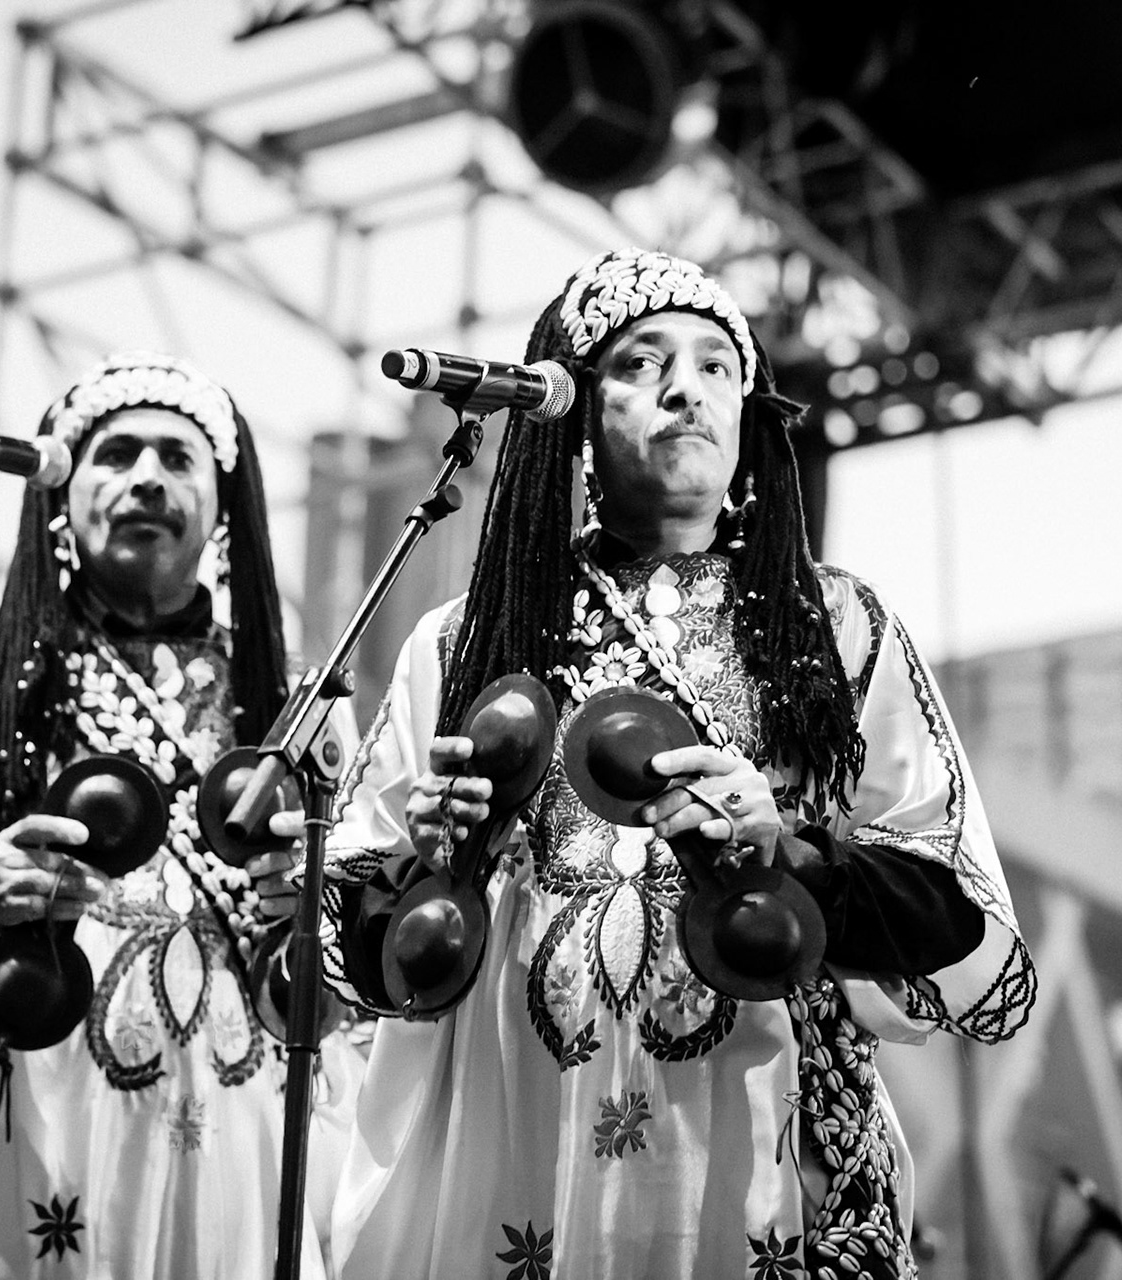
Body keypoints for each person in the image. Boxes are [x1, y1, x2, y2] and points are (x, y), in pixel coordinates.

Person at [318, 248, 1034, 1279]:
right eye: (642, 362)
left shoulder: (832, 624)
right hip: (520, 1132)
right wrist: (437, 861)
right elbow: (353, 942)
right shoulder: (465, 639)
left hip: (757, 1138)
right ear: (572, 406)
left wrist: (792, 848)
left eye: (714, 365)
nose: (685, 387)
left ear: (746, 413)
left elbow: (952, 910)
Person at [0, 352, 360, 1279]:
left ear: (223, 507)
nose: (146, 478)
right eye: (116, 454)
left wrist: (311, 916)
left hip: (233, 1155)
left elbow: (355, 998)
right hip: (18, 1133)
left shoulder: (301, 711)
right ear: (61, 495)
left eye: (177, 457)